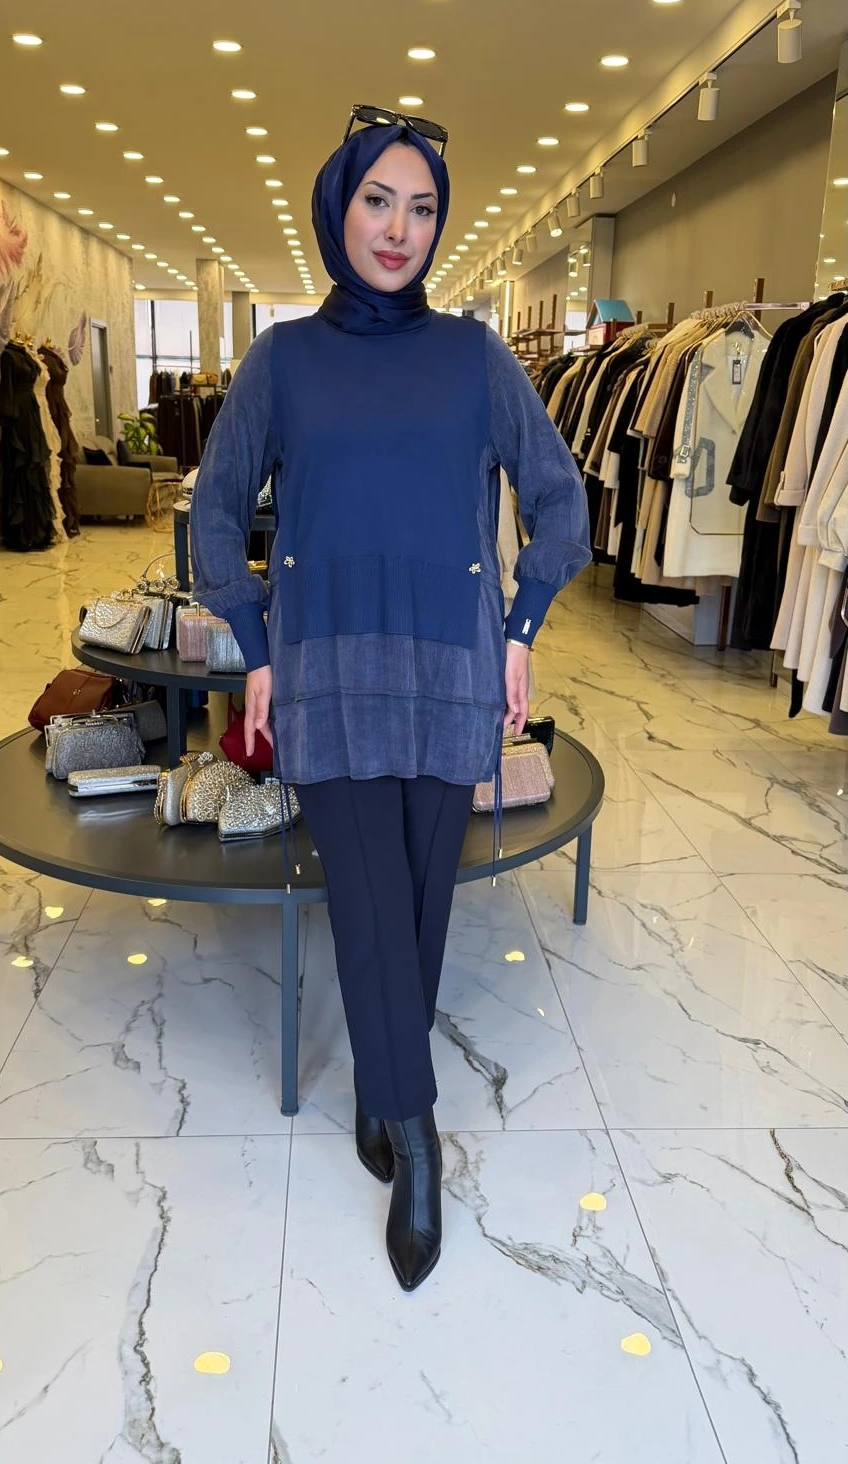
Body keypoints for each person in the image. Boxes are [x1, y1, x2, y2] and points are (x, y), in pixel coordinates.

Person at [190, 107, 591, 1292]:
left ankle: (380, 1083)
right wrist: (255, 644)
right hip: (325, 666)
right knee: (367, 900)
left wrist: (521, 627)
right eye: (378, 200)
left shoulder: (477, 358)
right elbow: (219, 506)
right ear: (339, 206)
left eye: (421, 208)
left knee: (418, 905)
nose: (399, 228)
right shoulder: (283, 362)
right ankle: (417, 1142)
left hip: (449, 665)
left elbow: (559, 498)